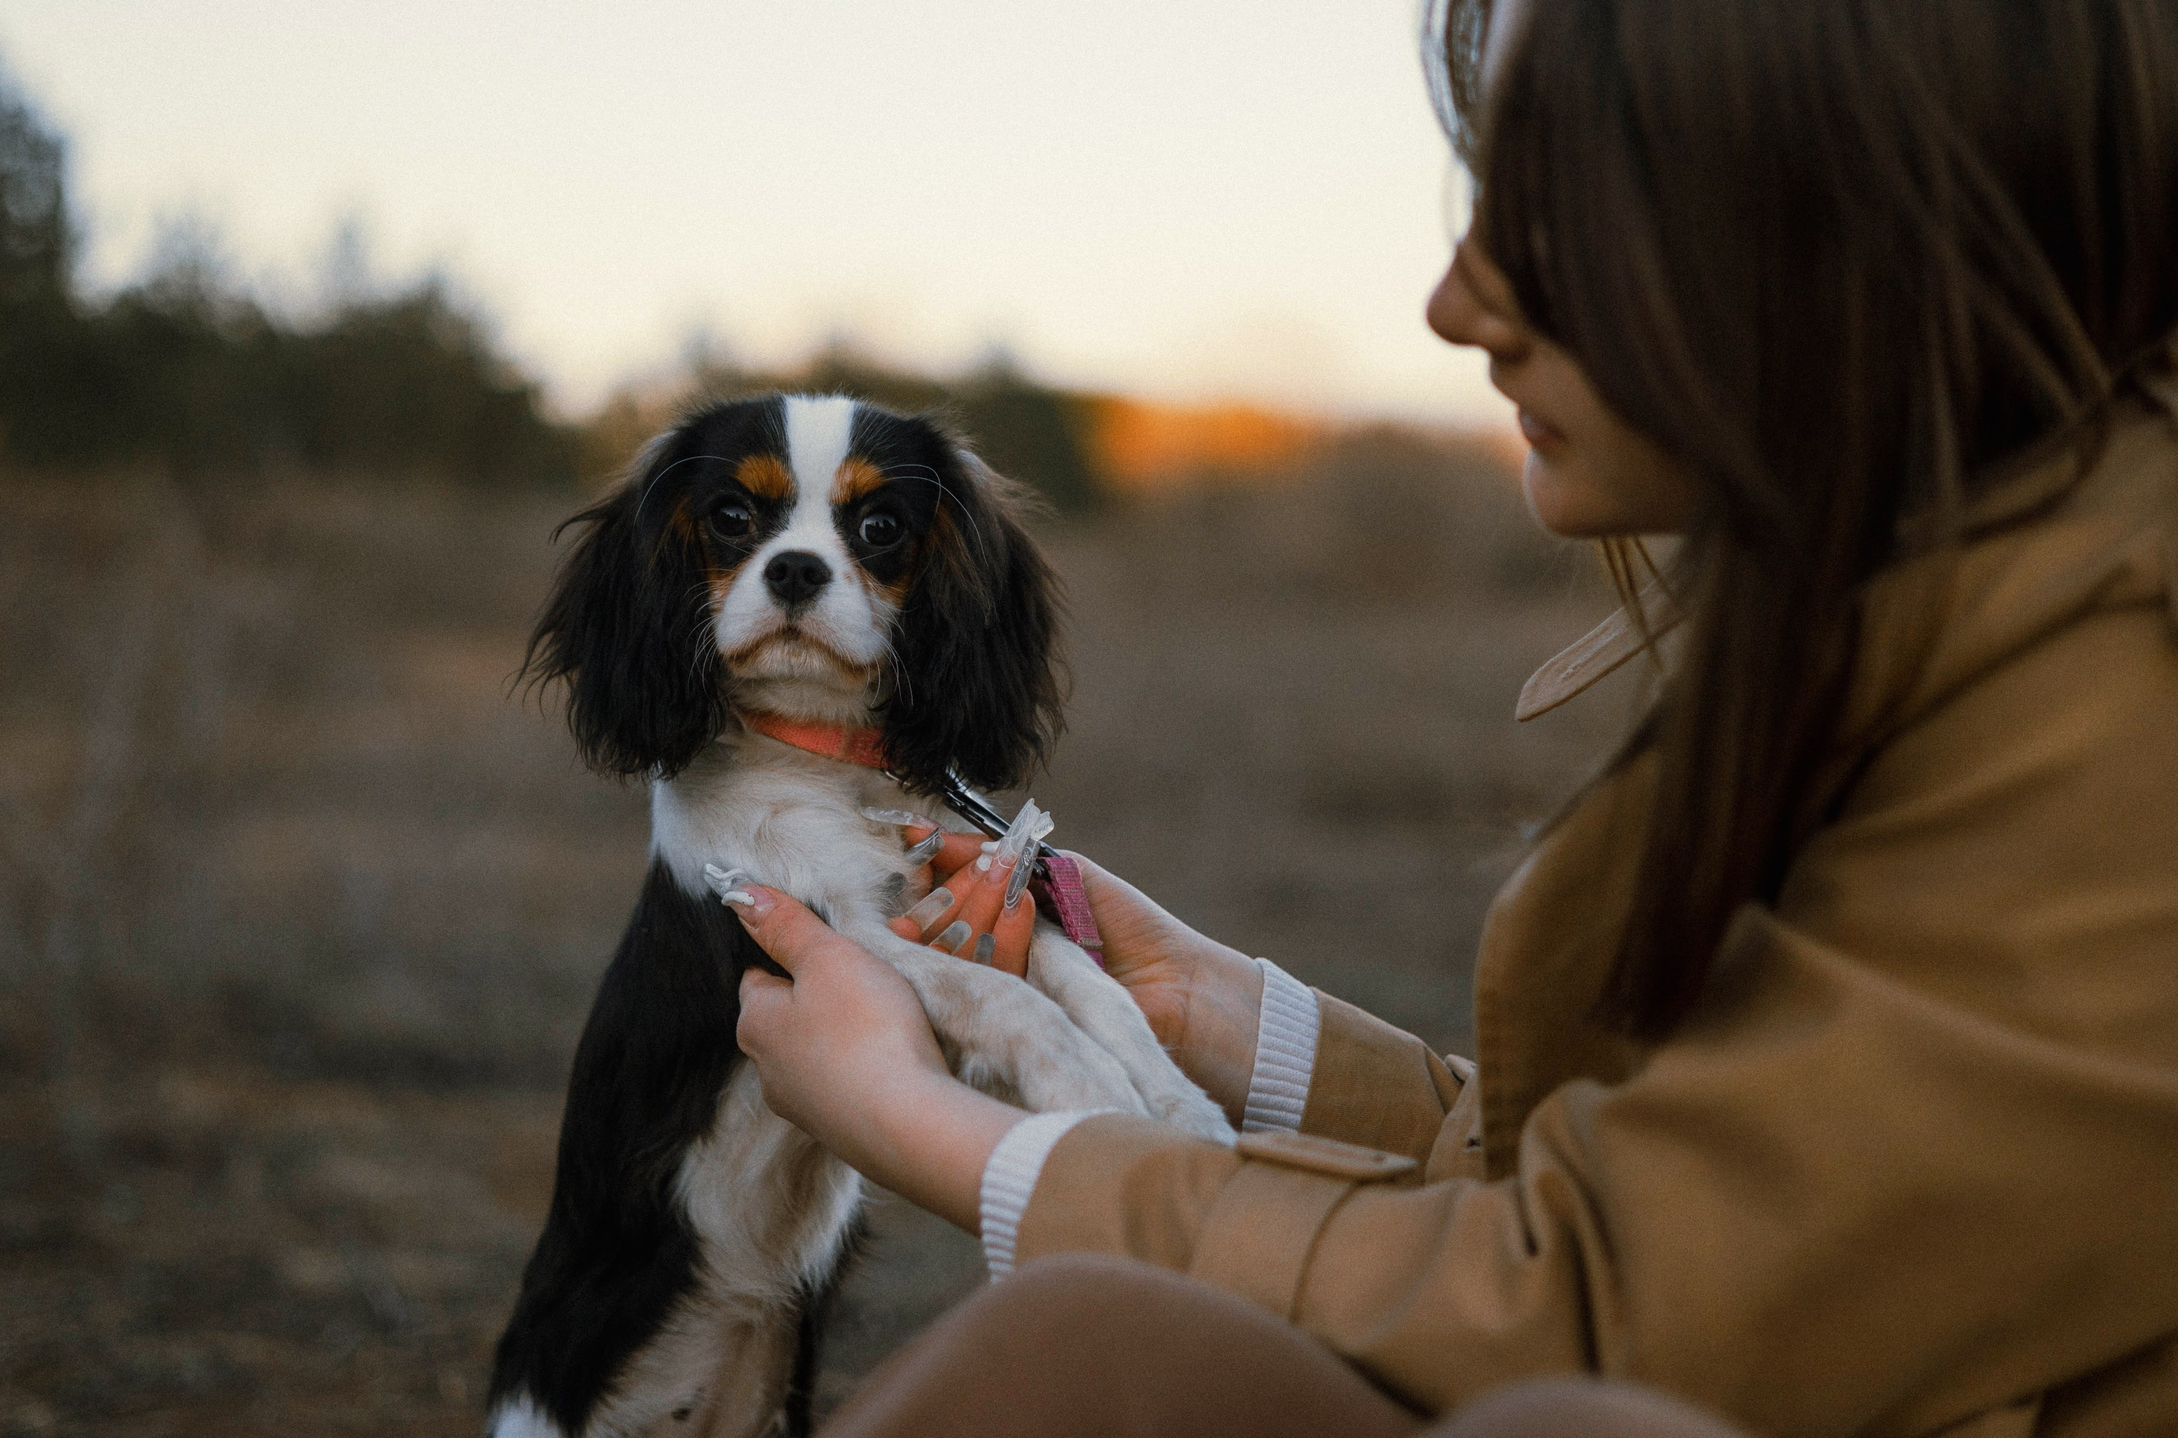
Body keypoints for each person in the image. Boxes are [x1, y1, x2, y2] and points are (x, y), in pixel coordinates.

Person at [724, 0, 2178, 1432]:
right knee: (1090, 1348)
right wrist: (1226, 1013)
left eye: (1572, 215)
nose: (1459, 303)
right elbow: (1722, 1215)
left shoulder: (2123, 711)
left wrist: (952, 1134)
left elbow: (1622, 1326)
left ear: (1868, 239)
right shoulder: (1978, 613)